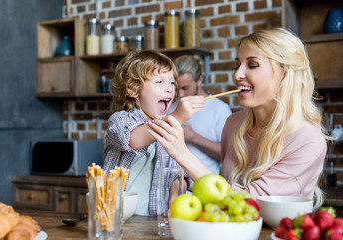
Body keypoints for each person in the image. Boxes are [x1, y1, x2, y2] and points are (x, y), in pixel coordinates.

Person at [147, 28, 328, 209]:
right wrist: (184, 181)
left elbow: (248, 204)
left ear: (285, 74)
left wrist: (182, 155)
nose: (237, 75)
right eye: (237, 65)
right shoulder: (234, 124)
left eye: (252, 65)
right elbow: (223, 191)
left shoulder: (308, 140)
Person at [103, 50, 205, 216]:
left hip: (155, 219)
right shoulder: (120, 120)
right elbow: (132, 140)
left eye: (172, 83)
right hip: (117, 218)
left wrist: (174, 201)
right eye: (159, 82)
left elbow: (177, 175)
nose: (169, 89)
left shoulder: (172, 131)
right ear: (133, 90)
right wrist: (177, 117)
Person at [169, 55, 232, 174]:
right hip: (170, 185)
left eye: (185, 88)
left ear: (200, 80)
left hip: (203, 185)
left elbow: (229, 155)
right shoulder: (171, 106)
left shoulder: (219, 109)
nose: (181, 94)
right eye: (177, 88)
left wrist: (194, 137)